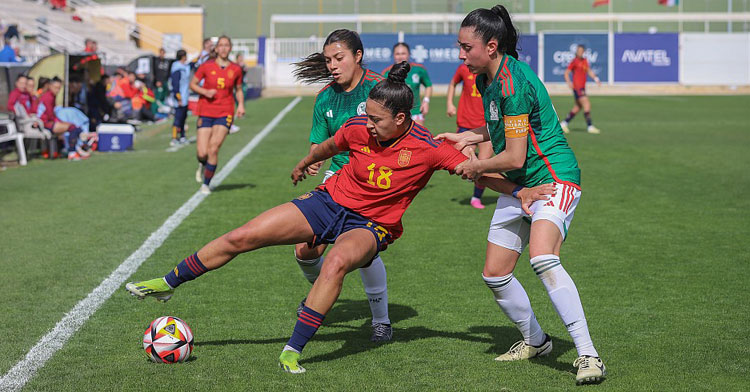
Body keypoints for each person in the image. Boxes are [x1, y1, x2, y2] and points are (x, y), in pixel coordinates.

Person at [126, 61, 554, 374]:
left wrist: (520, 190)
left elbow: (474, 171)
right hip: (327, 202)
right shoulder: (358, 128)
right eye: (366, 115)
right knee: (245, 235)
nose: (366, 124)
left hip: (373, 225)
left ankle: (293, 349)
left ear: (401, 119)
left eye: (377, 119)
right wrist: (303, 163)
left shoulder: (427, 147)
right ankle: (167, 284)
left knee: (336, 262)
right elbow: (329, 147)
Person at [437, 5, 606, 385]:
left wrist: (474, 167)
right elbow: (503, 126)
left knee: (543, 257)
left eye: (466, 47)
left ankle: (589, 355)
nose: (460, 55)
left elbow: (513, 154)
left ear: (492, 46)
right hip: (523, 185)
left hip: (553, 179)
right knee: (495, 275)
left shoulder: (513, 83)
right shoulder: (487, 79)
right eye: (458, 46)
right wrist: (470, 136)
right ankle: (536, 341)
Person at [292, 28, 392, 341]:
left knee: (362, 251)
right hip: (337, 177)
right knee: (304, 251)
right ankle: (324, 290)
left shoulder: (378, 89)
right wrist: (313, 160)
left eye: (339, 58)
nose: (333, 65)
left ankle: (382, 321)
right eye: (328, 60)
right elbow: (318, 144)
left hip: (376, 180)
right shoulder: (325, 98)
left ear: (357, 56)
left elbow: (402, 132)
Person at [189, 35, 244, 194]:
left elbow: (238, 89)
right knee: (202, 152)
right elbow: (193, 84)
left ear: (230, 48)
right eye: (221, 45)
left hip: (225, 111)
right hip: (206, 110)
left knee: (213, 148)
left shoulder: (235, 69)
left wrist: (240, 104)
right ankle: (203, 163)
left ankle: (206, 184)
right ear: (216, 48)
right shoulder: (206, 66)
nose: (224, 48)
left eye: (227, 45)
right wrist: (205, 91)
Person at [447, 63, 492, 209]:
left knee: (482, 165)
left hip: (486, 125)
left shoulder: (490, 70)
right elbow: (453, 83)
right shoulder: (462, 69)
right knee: (465, 163)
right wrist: (449, 104)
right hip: (466, 122)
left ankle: (476, 197)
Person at [381, 43, 432, 125]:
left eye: (403, 53)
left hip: (415, 112)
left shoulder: (419, 70)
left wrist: (426, 101)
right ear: (393, 55)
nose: (400, 57)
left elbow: (428, 86)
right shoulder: (387, 73)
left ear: (409, 54)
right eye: (397, 54)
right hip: (395, 114)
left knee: (417, 137)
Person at [37, 77, 85, 160]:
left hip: (48, 122)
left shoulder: (51, 95)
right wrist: (60, 122)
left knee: (74, 127)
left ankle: (65, 150)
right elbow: (50, 115)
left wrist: (60, 122)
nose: (58, 90)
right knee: (73, 128)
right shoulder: (48, 97)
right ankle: (72, 153)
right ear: (50, 86)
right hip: (45, 123)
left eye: (59, 88)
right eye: (56, 88)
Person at [560, 44, 601, 134]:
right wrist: (569, 83)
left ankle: (563, 123)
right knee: (587, 104)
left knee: (578, 107)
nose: (580, 53)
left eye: (581, 51)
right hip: (578, 88)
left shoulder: (585, 61)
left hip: (582, 87)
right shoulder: (575, 61)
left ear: (584, 52)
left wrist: (596, 79)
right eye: (578, 51)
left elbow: (589, 71)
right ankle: (590, 126)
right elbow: (566, 73)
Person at [169, 49, 190, 145]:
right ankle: (174, 138)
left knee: (183, 118)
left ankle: (182, 136)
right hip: (180, 98)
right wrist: (179, 98)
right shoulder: (177, 68)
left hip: (185, 97)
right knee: (178, 118)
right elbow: (175, 84)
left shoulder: (185, 66)